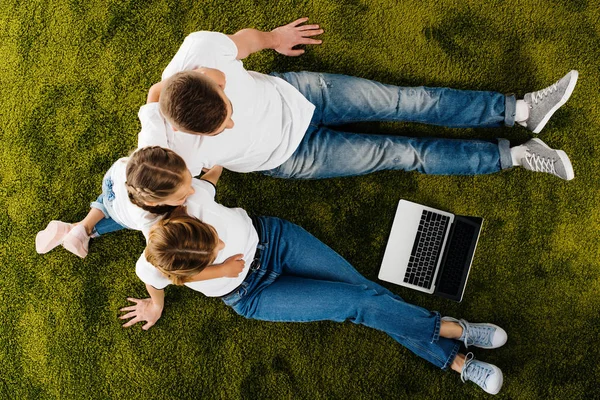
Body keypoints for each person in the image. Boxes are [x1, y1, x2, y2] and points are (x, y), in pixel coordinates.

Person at [120, 158, 508, 395]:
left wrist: (216, 158)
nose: (221, 244)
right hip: (252, 295)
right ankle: (455, 342)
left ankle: (454, 343)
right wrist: (204, 279)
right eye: (213, 252)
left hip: (275, 241)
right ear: (186, 271)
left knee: (369, 294)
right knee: (357, 303)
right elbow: (155, 281)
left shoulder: (194, 199)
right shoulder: (154, 264)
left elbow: (213, 171)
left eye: (215, 239)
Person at [139, 17, 578, 181]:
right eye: (220, 130)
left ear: (213, 81)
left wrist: (275, 38)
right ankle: (518, 156)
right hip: (292, 157)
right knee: (402, 154)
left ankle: (521, 111)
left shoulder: (201, 49)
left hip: (300, 94)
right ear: (179, 129)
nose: (230, 123)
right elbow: (141, 198)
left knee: (410, 102)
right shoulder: (165, 149)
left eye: (226, 114)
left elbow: (243, 41)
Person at [35, 147, 197, 257]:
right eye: (180, 197)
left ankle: (82, 226)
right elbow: (154, 242)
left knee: (105, 201)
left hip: (112, 190)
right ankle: (80, 231)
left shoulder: (136, 162)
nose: (192, 192)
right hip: (124, 214)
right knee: (118, 220)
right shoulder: (146, 217)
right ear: (154, 203)